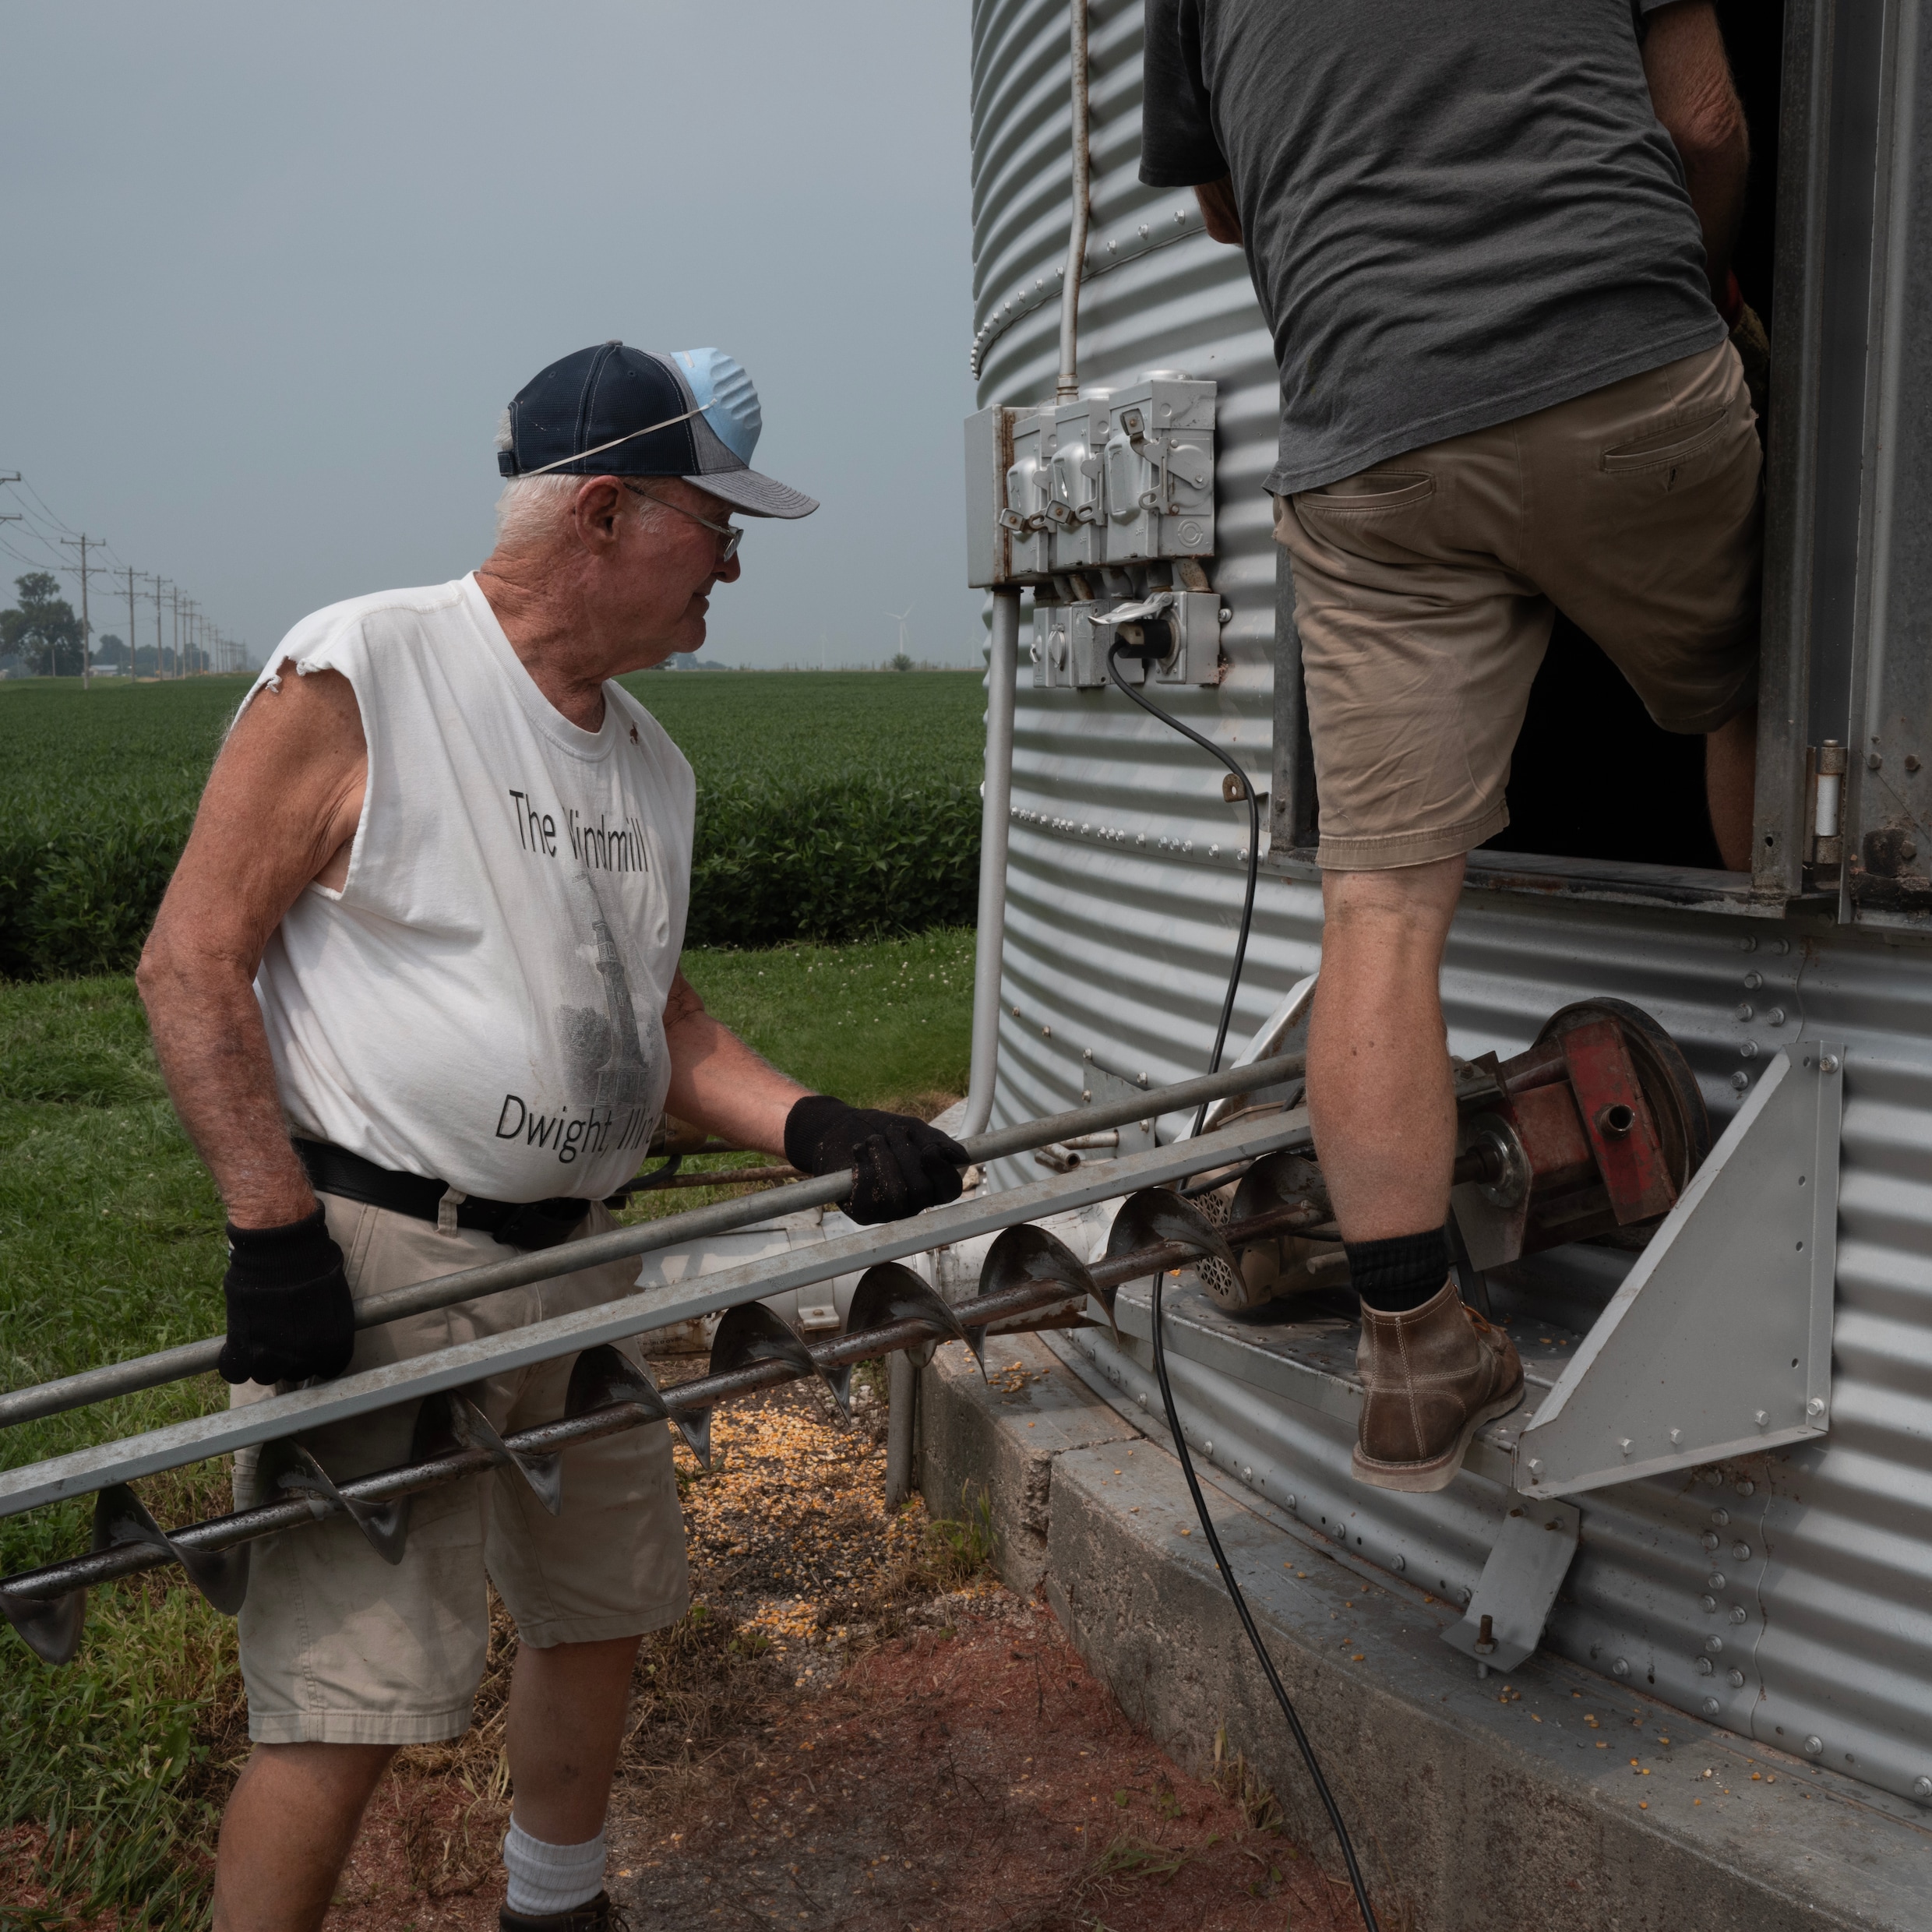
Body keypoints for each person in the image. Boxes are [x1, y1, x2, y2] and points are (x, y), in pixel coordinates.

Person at [136, 340, 968, 1932]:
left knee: (602, 1607)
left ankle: (557, 1903)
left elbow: (665, 1031)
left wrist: (819, 1127)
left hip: (586, 1265)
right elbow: (191, 956)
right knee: (349, 1691)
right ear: (602, 512)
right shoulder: (369, 668)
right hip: (384, 1260)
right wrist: (271, 1229)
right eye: (714, 526)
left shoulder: (651, 766)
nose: (732, 562)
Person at [1141, 2, 1761, 1489]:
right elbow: (1706, 126)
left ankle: (1411, 1340)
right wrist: (1705, 276)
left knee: (1381, 901)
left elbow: (1228, 205)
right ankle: (1789, 1063)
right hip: (1623, 373)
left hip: (1373, 437)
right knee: (1754, 693)